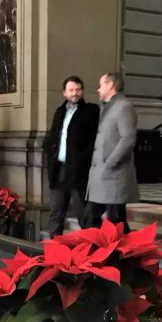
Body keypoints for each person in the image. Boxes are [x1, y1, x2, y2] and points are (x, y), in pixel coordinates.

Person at [43, 76, 100, 236]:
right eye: (71, 90)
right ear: (64, 93)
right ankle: (55, 252)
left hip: (79, 171)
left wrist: (82, 161)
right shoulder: (59, 112)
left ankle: (94, 251)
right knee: (56, 213)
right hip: (58, 170)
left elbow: (94, 141)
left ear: (82, 91)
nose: (75, 93)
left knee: (84, 215)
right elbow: (52, 138)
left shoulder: (90, 111)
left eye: (78, 89)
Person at [84, 72, 140, 231]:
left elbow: (128, 138)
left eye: (101, 85)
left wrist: (110, 162)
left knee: (114, 220)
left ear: (110, 85)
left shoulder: (124, 106)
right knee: (93, 218)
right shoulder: (107, 107)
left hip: (114, 175)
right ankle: (99, 252)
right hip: (102, 177)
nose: (98, 89)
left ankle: (122, 253)